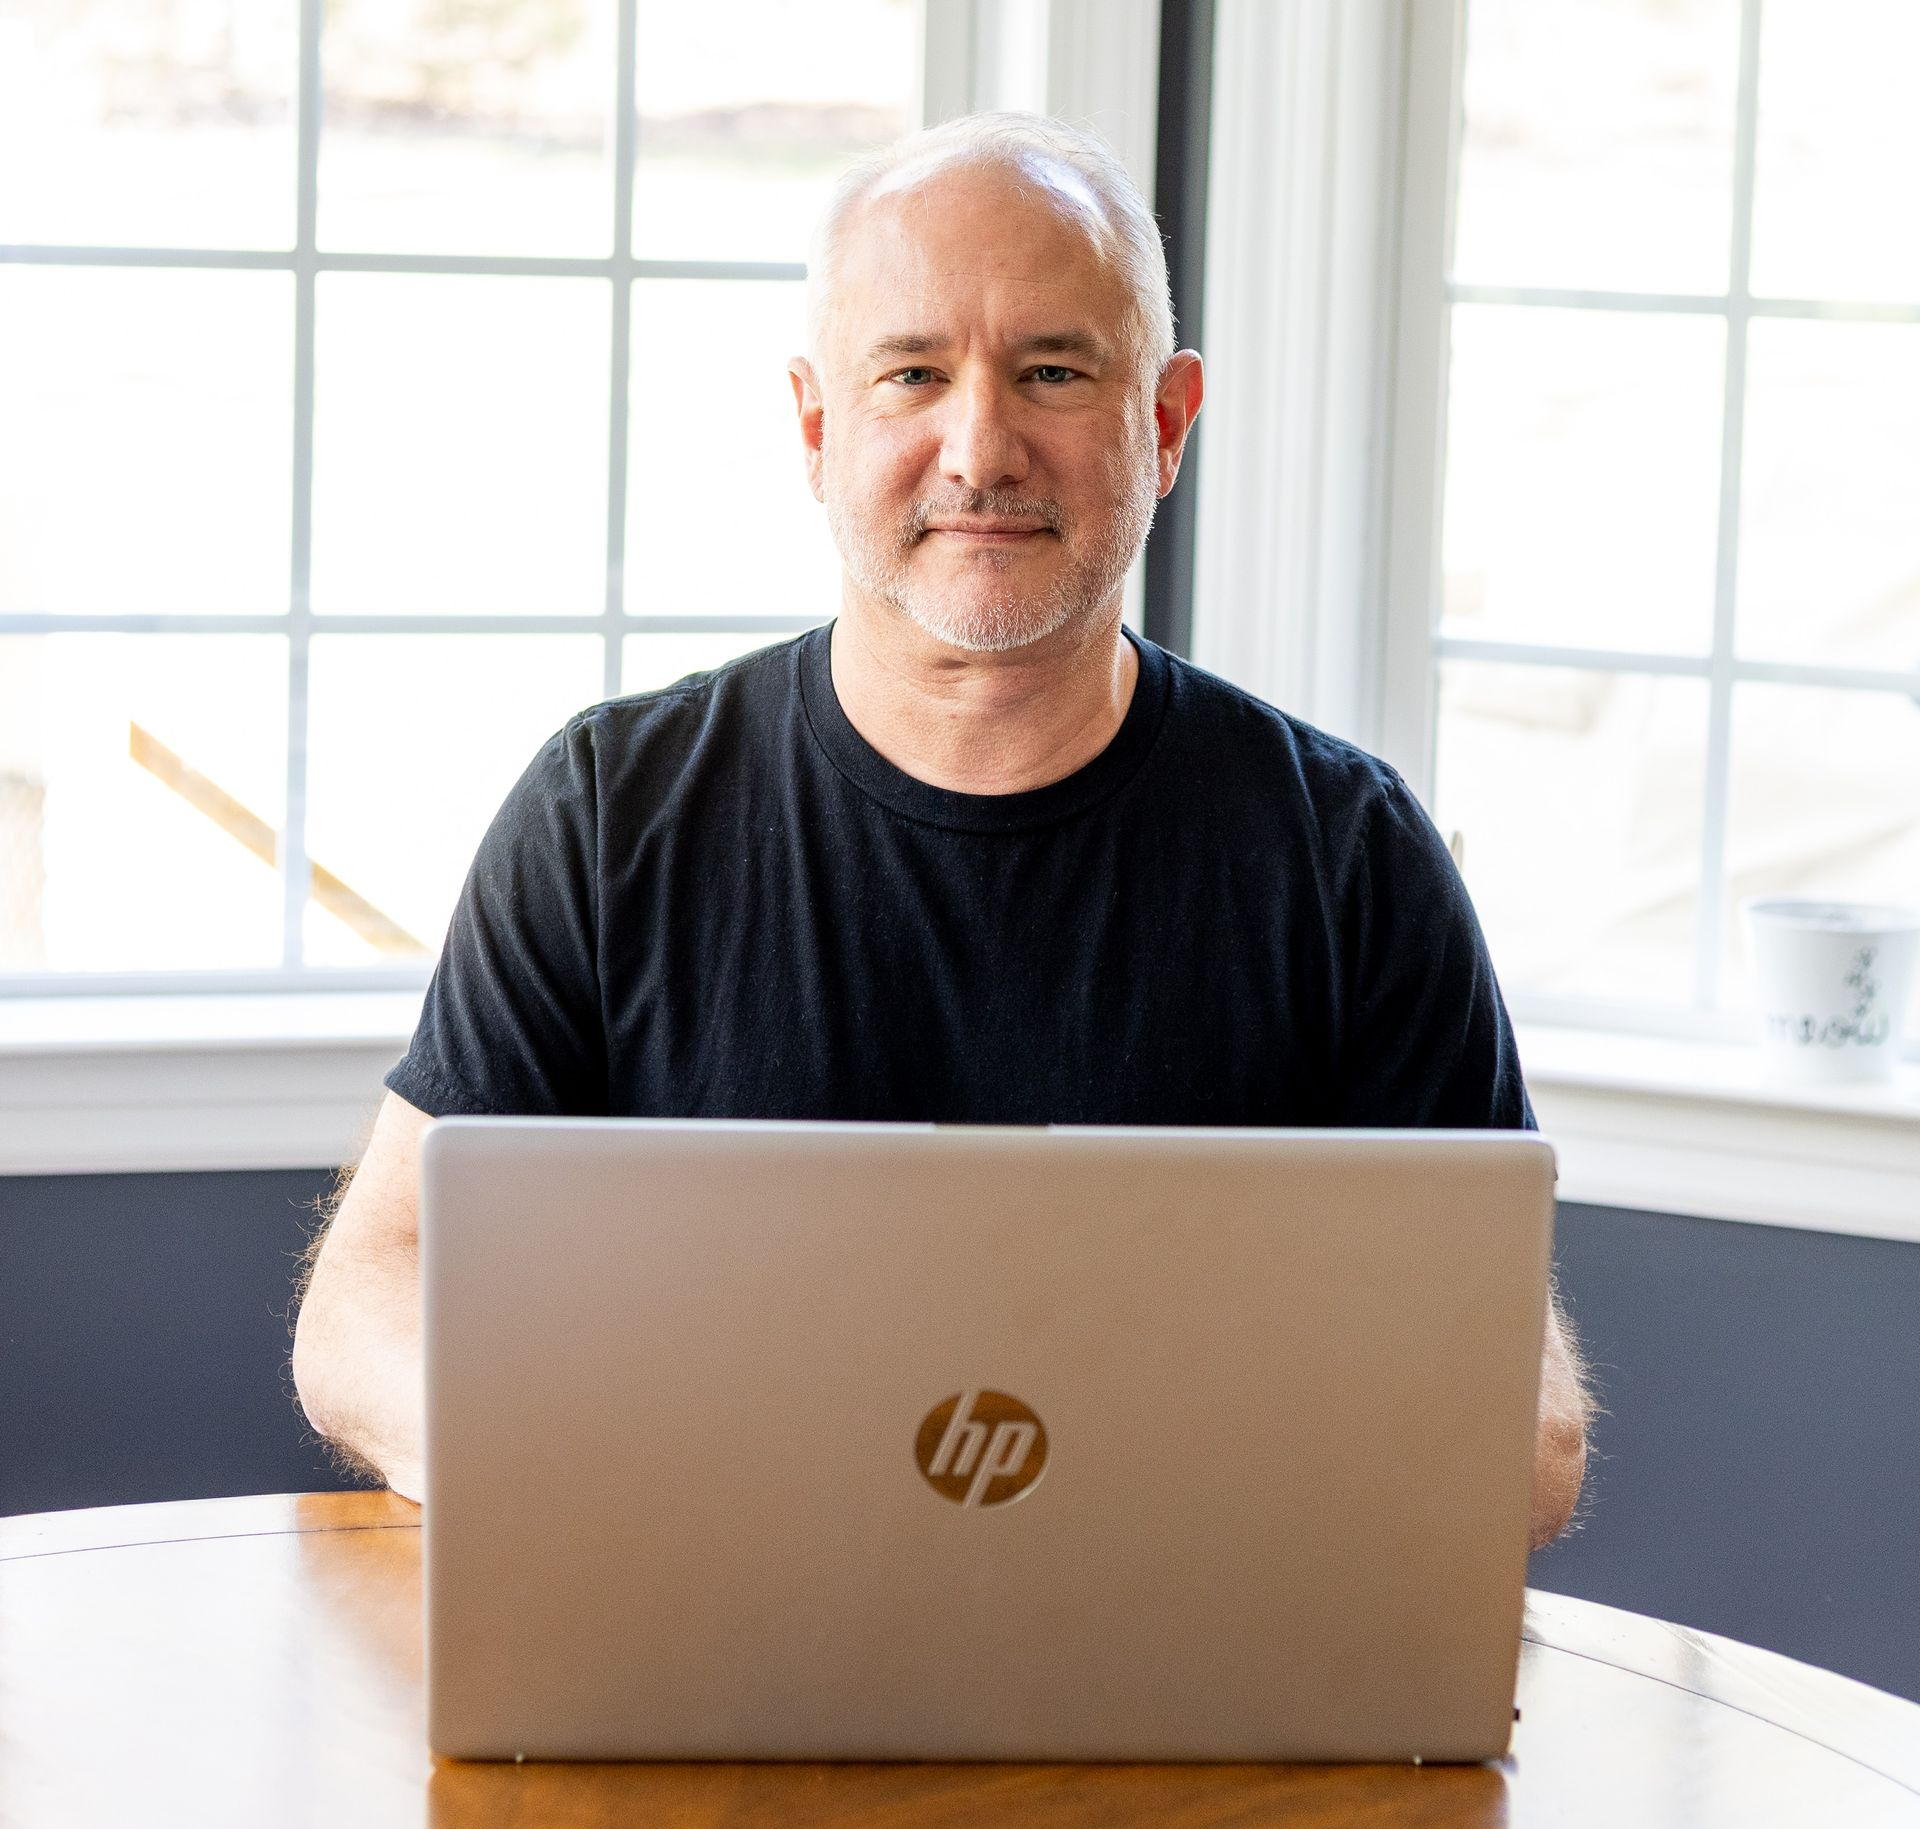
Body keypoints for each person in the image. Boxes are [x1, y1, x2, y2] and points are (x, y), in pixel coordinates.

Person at [292, 112, 1591, 1544]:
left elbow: (1526, 1424)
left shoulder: (1345, 855)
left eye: (1051, 372)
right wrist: (633, 1469)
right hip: (706, 1637)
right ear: (816, 426)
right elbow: (365, 1306)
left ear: (1162, 423)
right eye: (912, 373)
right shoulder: (609, 814)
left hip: (1190, 1684)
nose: (979, 447)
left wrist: (1192, 1512)